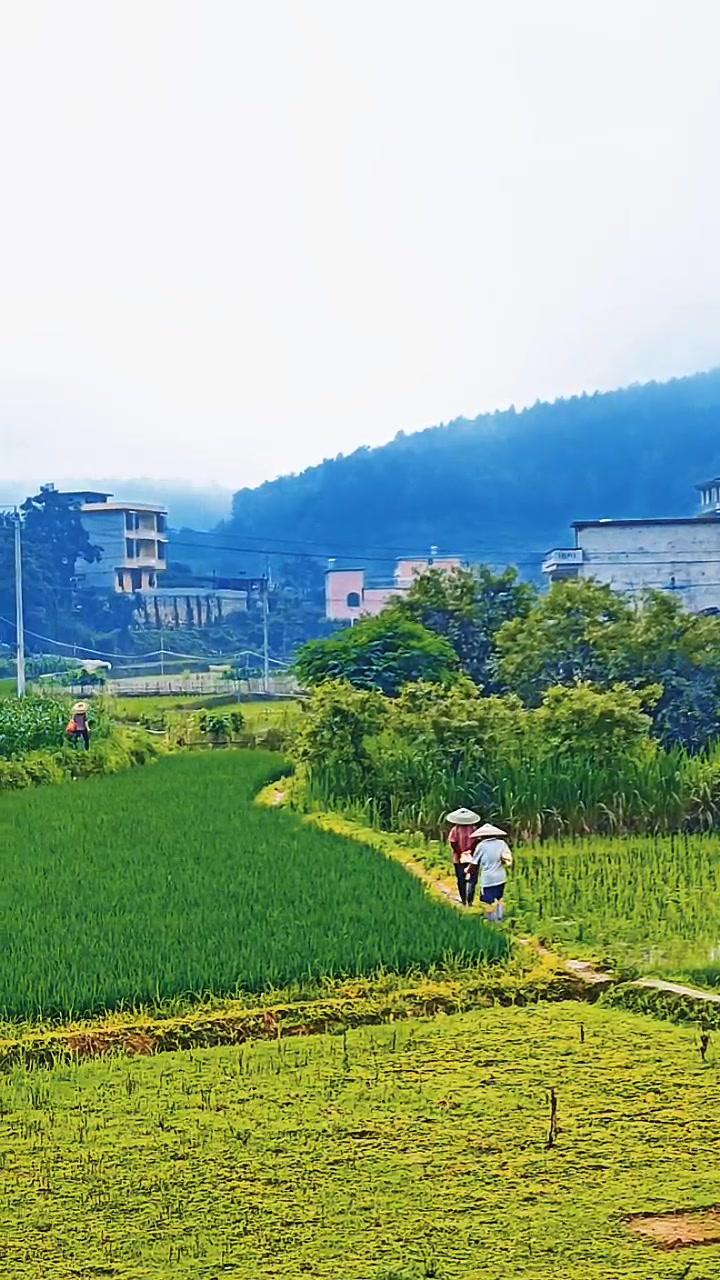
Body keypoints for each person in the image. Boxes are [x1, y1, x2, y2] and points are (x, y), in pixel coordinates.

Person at [470, 823, 513, 922]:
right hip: (501, 877)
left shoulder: (481, 846)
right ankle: (500, 918)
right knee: (499, 898)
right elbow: (507, 858)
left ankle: (492, 921)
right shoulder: (502, 843)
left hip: (488, 879)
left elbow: (474, 863)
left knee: (488, 901)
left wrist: (468, 872)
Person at [445, 808, 481, 906]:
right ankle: (469, 900)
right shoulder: (473, 829)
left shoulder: (455, 829)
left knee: (461, 879)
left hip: (459, 858)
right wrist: (470, 851)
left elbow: (453, 842)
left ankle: (464, 899)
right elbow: (477, 841)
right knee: (472, 879)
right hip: (472, 857)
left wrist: (460, 853)